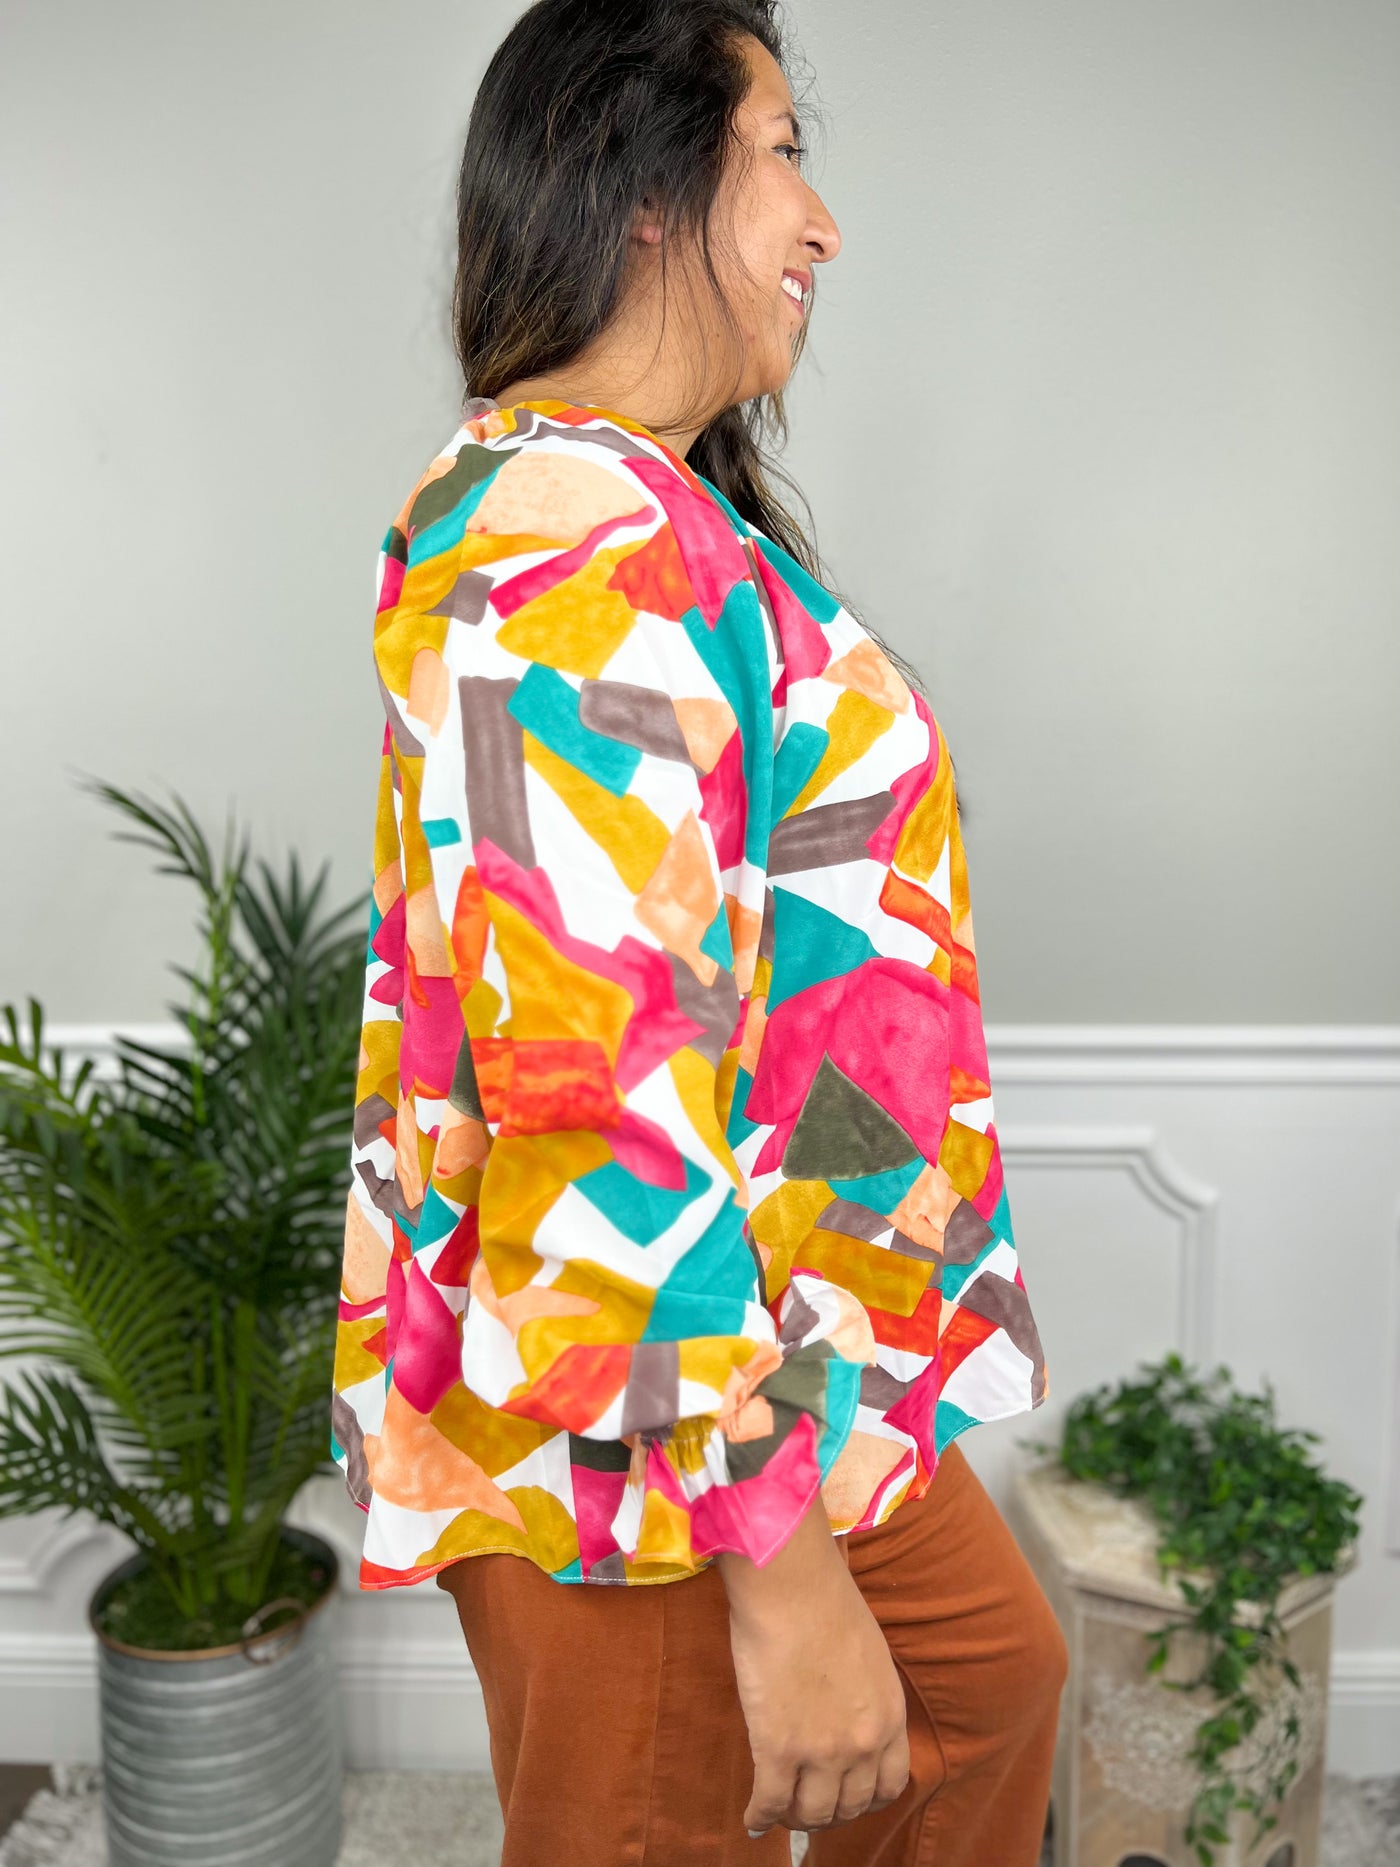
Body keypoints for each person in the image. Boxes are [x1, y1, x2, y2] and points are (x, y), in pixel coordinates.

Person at [330, 3, 1068, 1862]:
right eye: (781, 149)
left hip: (788, 1346)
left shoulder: (643, 513)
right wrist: (776, 1561)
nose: (824, 221)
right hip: (651, 1424)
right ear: (642, 183)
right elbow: (594, 1091)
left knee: (987, 1694)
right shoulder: (562, 546)